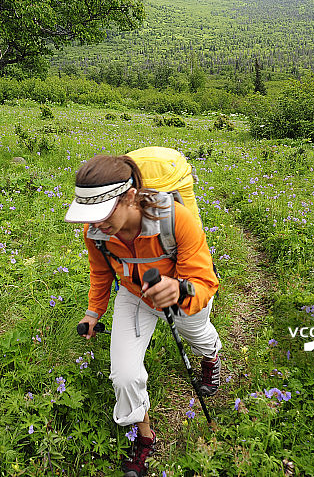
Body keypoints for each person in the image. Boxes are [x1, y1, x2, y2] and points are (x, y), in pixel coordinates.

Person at [65, 154, 222, 477]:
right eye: (90, 216)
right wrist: (93, 312)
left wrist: (179, 290)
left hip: (182, 295)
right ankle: (144, 436)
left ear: (130, 197)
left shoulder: (176, 219)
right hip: (134, 296)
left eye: (103, 213)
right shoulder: (95, 232)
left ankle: (210, 356)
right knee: (124, 376)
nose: (95, 224)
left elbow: (205, 282)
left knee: (199, 337)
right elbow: (101, 273)